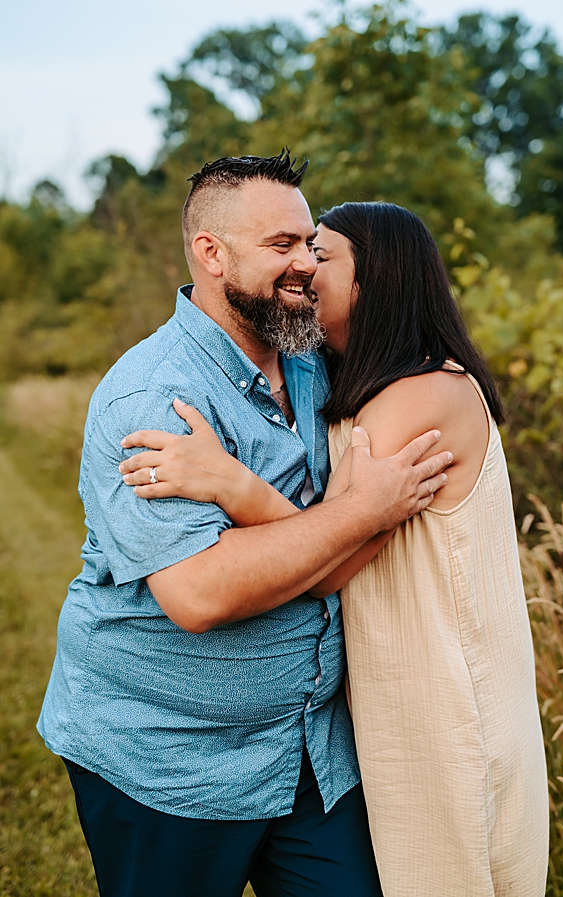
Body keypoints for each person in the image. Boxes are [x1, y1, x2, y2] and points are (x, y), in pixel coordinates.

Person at [37, 151, 453, 897]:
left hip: (310, 750)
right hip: (166, 760)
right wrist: (361, 511)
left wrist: (248, 492)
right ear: (211, 253)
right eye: (281, 247)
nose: (305, 265)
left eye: (310, 244)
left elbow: (336, 554)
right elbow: (200, 594)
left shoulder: (313, 362)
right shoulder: (154, 401)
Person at [116, 201, 550, 896]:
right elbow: (342, 525)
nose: (307, 268)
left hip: (446, 705)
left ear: (376, 280)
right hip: (400, 699)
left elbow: (329, 560)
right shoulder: (371, 385)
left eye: (324, 253)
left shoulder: (417, 399)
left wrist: (229, 480)